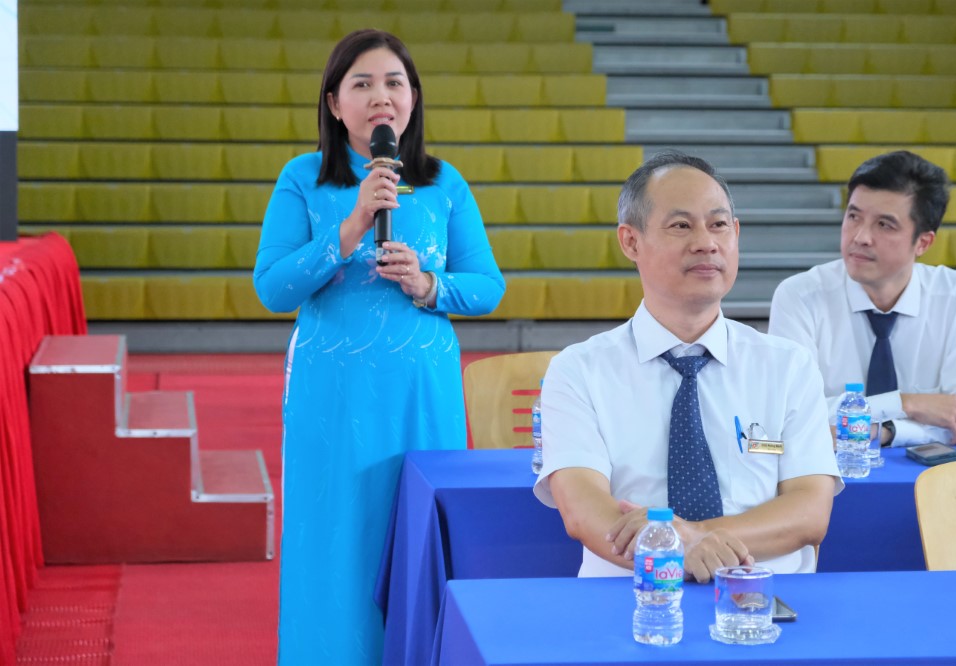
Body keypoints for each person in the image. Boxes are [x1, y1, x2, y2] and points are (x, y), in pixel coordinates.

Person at [253, 29, 505, 665]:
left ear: (413, 100)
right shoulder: (303, 178)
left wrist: (428, 284)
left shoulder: (444, 183)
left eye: (394, 83)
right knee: (337, 543)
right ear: (335, 103)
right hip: (331, 398)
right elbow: (273, 287)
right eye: (361, 84)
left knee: (424, 537)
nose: (380, 97)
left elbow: (488, 286)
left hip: (423, 394)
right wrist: (349, 228)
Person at [533, 151, 842, 583]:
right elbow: (584, 512)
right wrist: (681, 549)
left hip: (760, 600)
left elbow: (810, 512)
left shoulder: (787, 366)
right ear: (630, 241)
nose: (706, 242)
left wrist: (691, 538)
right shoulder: (579, 370)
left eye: (718, 225)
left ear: (735, 234)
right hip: (633, 598)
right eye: (681, 226)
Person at [769, 151, 956, 447]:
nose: (860, 237)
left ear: (923, 243)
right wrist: (906, 403)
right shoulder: (800, 296)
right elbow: (791, 414)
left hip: (937, 479)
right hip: (827, 475)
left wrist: (885, 431)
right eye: (853, 216)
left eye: (884, 225)